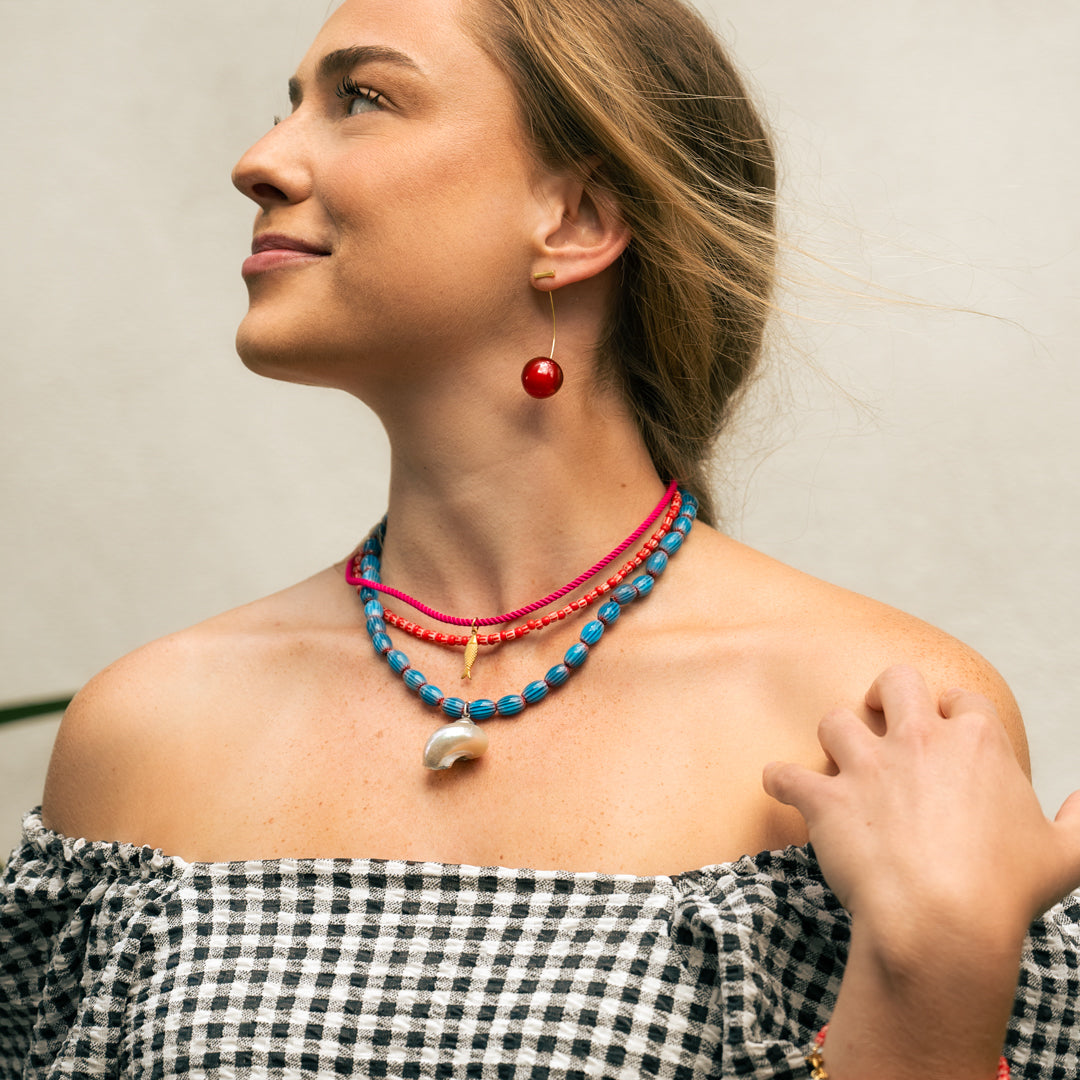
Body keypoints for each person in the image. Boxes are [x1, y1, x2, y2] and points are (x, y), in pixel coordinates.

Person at [1, 0, 1077, 1076]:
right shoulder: (141, 732)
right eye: (289, 107)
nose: (260, 161)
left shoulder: (874, 723)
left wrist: (940, 965)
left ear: (572, 220)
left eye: (362, 98)